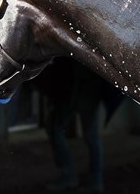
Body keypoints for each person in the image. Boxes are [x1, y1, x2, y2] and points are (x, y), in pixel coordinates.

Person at [34, 57, 105, 193]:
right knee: (90, 137)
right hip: (81, 90)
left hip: (79, 90)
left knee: (58, 130)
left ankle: (73, 178)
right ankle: (92, 180)